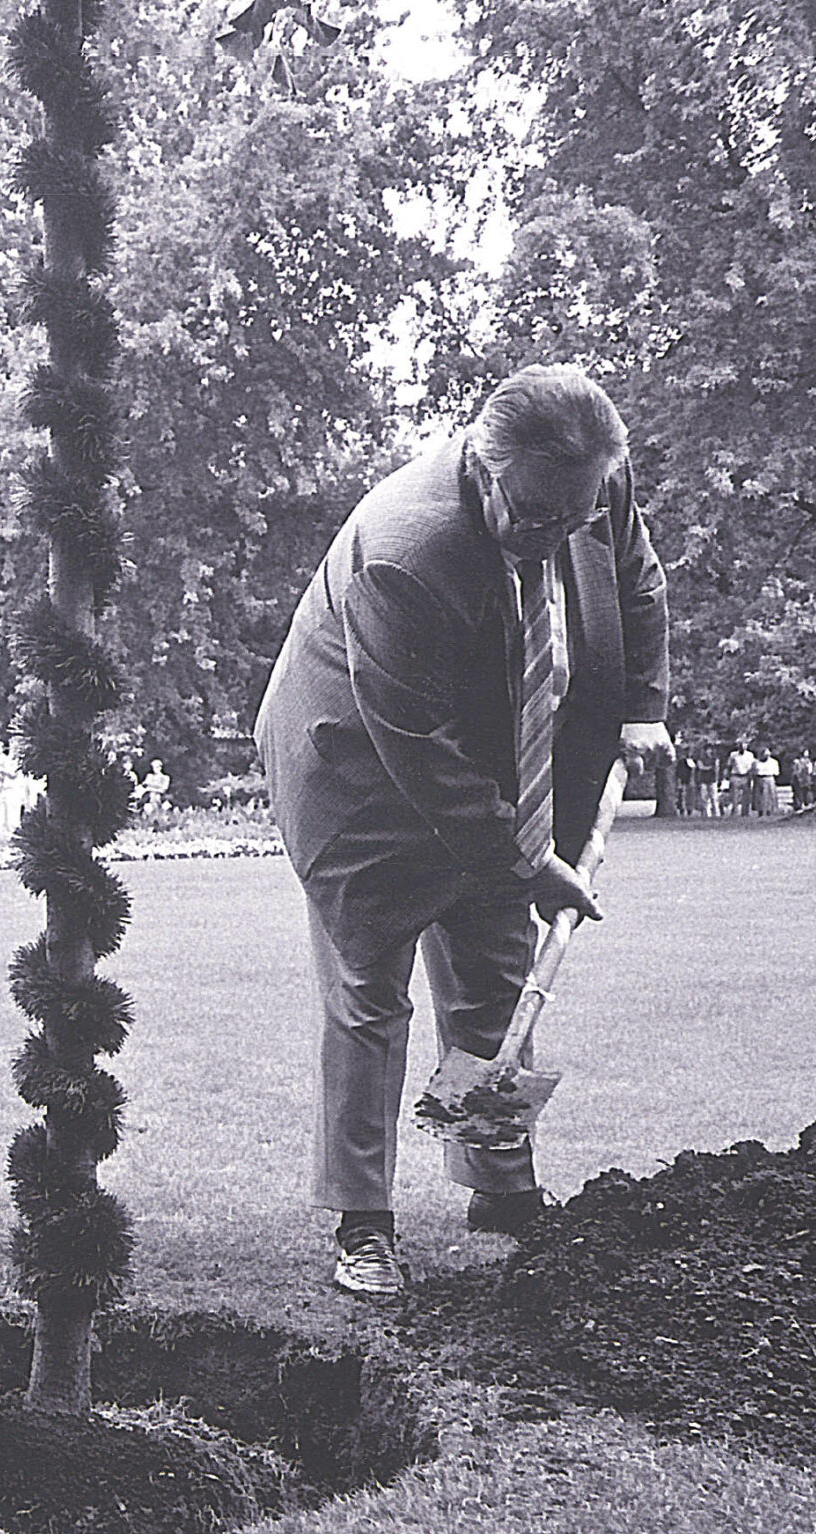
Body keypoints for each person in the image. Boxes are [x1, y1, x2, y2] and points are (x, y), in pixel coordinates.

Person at [254, 365, 670, 1301]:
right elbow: (419, 750)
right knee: (369, 993)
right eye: (533, 518)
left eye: (574, 516)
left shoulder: (584, 484)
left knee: (493, 969)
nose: (556, 536)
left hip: (494, 751)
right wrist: (529, 860)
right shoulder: (410, 550)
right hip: (357, 771)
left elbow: (636, 579)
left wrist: (643, 705)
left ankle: (499, 1186)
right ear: (483, 469)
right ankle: (363, 1220)